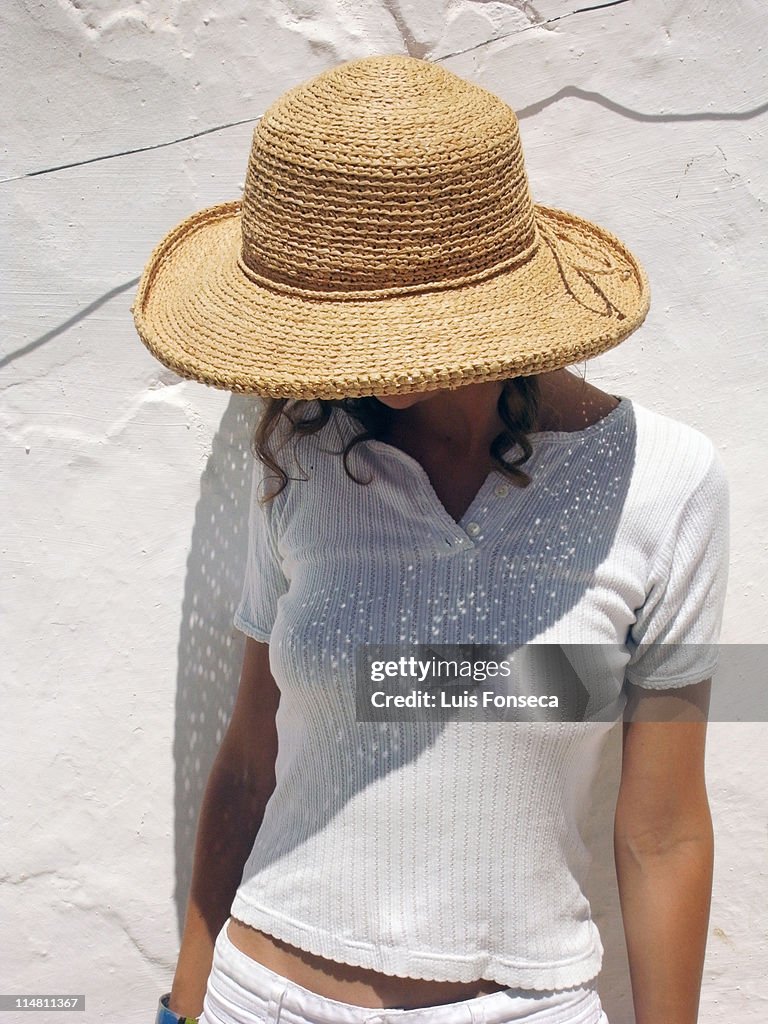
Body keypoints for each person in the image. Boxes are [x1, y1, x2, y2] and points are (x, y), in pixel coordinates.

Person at [133, 55, 730, 1024]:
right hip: (261, 994)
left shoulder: (667, 483)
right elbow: (251, 752)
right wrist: (185, 1004)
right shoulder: (299, 449)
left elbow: (662, 831)